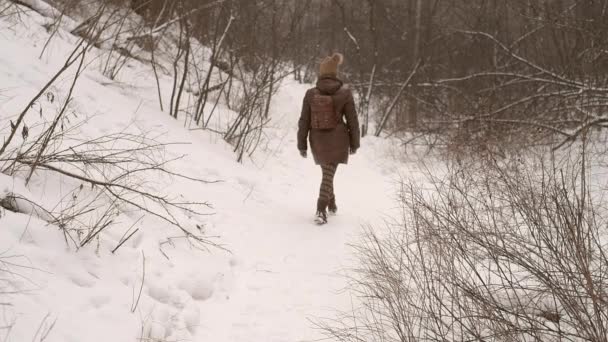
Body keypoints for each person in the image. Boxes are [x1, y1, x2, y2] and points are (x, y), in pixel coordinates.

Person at [297, 52, 360, 224]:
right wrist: (354, 143)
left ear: (321, 73)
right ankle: (321, 210)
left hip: (317, 140)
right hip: (339, 140)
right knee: (328, 174)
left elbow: (304, 121)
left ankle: (332, 204)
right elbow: (352, 120)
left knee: (327, 172)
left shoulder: (311, 94)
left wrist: (301, 144)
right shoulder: (345, 94)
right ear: (335, 74)